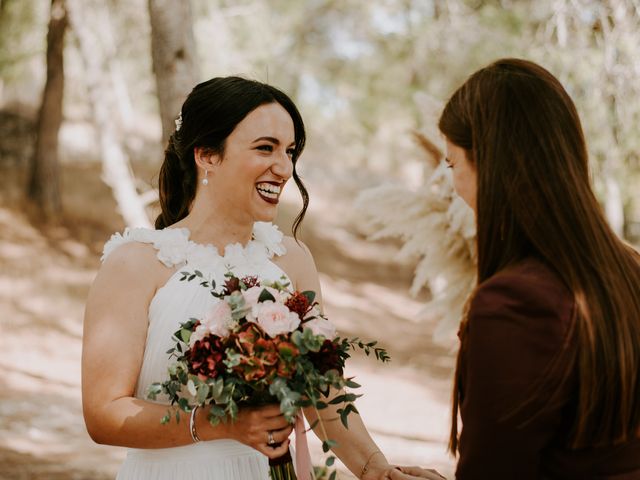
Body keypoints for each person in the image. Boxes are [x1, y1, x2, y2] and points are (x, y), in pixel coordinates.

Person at [82, 77, 392, 480]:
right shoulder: (136, 263)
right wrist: (221, 424)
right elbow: (103, 414)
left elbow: (325, 396)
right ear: (207, 155)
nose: (284, 168)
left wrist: (377, 470)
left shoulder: (292, 260)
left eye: (290, 151)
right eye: (266, 148)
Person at [390, 59, 640, 479]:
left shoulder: (518, 302)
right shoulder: (630, 271)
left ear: (488, 164)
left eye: (452, 164)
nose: (454, 185)